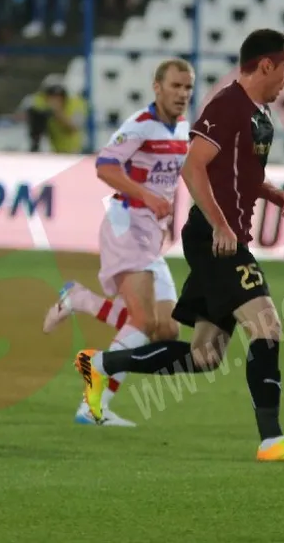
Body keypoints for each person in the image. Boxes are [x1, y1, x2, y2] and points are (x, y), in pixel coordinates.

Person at [74, 29, 284, 463]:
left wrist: (270, 192)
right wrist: (221, 226)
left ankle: (103, 364)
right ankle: (272, 440)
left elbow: (237, 173)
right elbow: (193, 168)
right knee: (267, 327)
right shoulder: (227, 106)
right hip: (216, 239)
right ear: (265, 65)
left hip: (222, 236)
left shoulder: (258, 115)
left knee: (205, 355)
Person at [43, 59, 194, 426]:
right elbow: (106, 166)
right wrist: (147, 196)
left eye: (188, 87)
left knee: (167, 330)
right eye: (175, 86)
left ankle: (80, 300)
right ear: (157, 87)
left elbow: (173, 178)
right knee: (142, 322)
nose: (182, 94)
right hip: (126, 226)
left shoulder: (182, 128)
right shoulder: (140, 125)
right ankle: (93, 407)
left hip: (150, 235)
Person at [20, 76, 86, 153]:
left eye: (59, 95)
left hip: (72, 151)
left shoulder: (76, 104)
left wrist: (57, 112)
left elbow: (74, 128)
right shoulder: (40, 100)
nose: (56, 99)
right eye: (52, 94)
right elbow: (27, 109)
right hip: (53, 150)